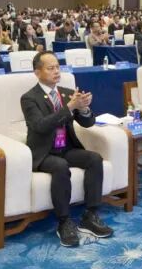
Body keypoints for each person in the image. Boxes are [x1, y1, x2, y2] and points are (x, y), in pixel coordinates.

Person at [20, 52, 113, 247]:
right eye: (50, 68)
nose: (56, 71)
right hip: (44, 153)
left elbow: (87, 123)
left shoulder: (67, 93)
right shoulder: (29, 98)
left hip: (67, 147)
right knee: (60, 166)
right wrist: (70, 107)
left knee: (95, 159)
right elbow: (41, 126)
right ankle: (64, 222)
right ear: (37, 72)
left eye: (57, 67)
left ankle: (90, 216)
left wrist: (84, 108)